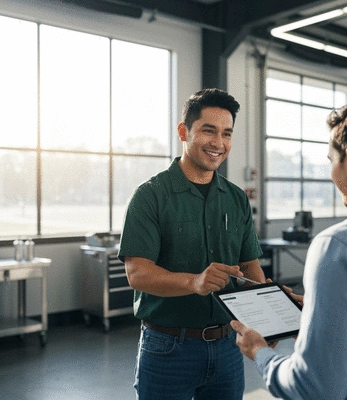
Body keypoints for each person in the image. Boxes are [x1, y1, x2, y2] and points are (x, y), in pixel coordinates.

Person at [118, 88, 266, 400]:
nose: (219, 143)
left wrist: (271, 309)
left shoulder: (237, 198)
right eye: (208, 131)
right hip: (169, 349)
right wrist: (194, 281)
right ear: (184, 132)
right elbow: (138, 274)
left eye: (227, 133)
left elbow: (251, 266)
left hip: (227, 347)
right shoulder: (150, 196)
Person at [231, 96, 347, 399]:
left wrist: (259, 353)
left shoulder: (339, 246)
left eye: (331, 161)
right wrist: (323, 311)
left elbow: (315, 388)